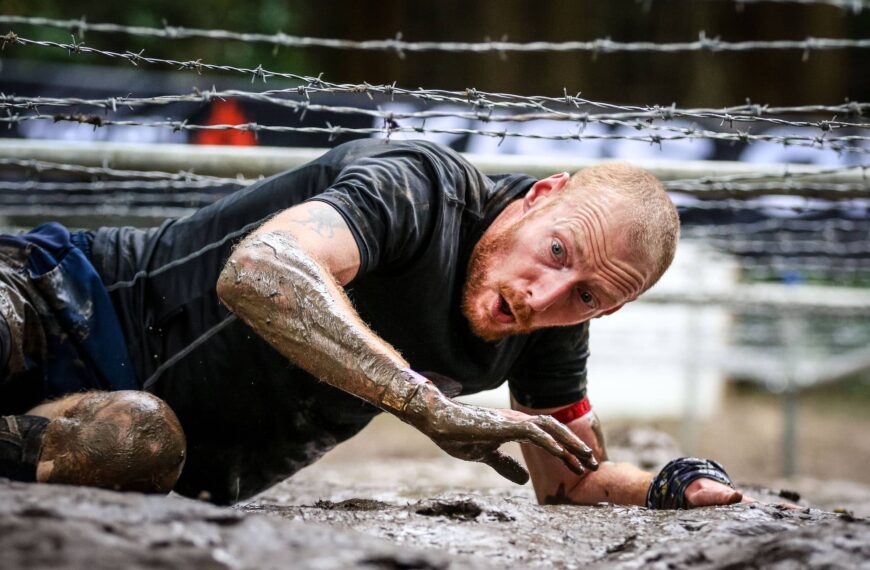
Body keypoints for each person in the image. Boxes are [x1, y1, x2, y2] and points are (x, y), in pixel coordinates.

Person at [0, 139, 745, 508]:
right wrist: (422, 400)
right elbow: (259, 272)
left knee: (137, 440)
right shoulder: (422, 186)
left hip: (133, 440)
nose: (544, 296)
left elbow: (565, 482)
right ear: (540, 196)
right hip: (62, 301)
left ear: (607, 311)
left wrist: (670, 486)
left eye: (586, 298)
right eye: (557, 250)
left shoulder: (550, 326)